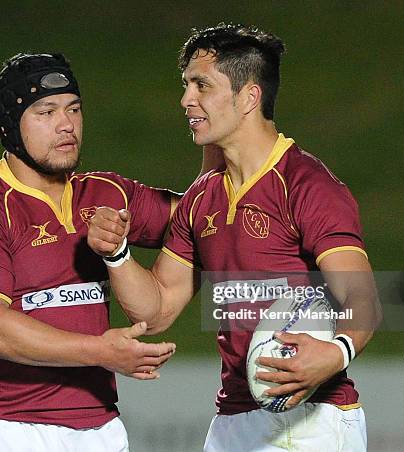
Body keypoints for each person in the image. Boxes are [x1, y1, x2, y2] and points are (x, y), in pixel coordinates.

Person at [87, 24, 381, 451]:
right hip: (233, 419)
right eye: (186, 85)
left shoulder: (305, 184)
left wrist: (336, 353)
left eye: (202, 85)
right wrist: (117, 254)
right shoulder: (202, 197)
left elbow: (364, 297)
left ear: (249, 97)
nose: (187, 99)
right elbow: (157, 311)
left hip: (311, 417)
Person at [0, 52, 221, 452]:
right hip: (8, 429)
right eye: (46, 112)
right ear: (10, 125)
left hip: (100, 426)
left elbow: (204, 213)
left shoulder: (106, 193)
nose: (66, 124)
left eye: (74, 108)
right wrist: (102, 351)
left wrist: (217, 136)